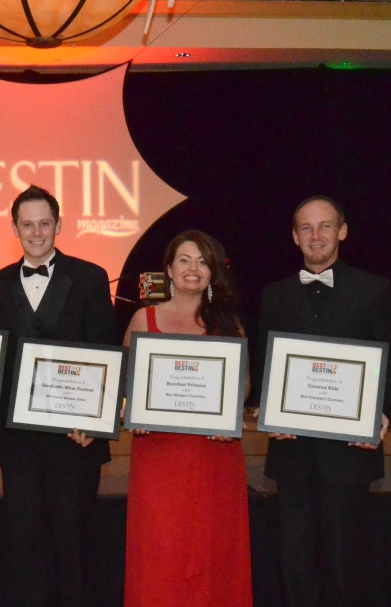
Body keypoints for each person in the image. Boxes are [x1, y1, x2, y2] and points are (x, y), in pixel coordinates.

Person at [253, 195, 391, 607]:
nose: (315, 235)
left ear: (342, 231)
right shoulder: (274, 294)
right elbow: (265, 365)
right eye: (306, 227)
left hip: (349, 452)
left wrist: (381, 412)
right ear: (294, 236)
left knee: (346, 567)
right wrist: (268, 411)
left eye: (324, 226)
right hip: (292, 454)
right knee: (295, 566)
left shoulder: (374, 290)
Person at [0, 185, 117, 607]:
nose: (36, 232)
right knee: (24, 546)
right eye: (27, 224)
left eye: (44, 223)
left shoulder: (91, 277)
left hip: (75, 440)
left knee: (74, 547)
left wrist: (95, 425)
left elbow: (107, 352)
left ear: (58, 225)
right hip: (19, 443)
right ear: (15, 228)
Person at [121, 230, 252, 607]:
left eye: (202, 261)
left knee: (214, 554)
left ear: (213, 271)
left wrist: (228, 412)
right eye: (184, 259)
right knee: (161, 554)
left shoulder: (228, 323)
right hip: (159, 458)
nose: (193, 269)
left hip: (214, 456)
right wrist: (132, 409)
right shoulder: (143, 319)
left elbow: (242, 387)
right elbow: (126, 386)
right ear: (169, 268)